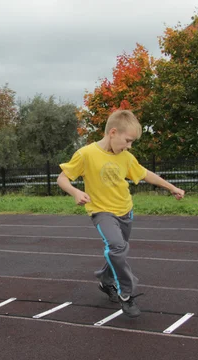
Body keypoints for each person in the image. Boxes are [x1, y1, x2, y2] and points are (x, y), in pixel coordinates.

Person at [57, 109, 185, 318]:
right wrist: (75, 191)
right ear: (113, 132)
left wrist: (171, 187)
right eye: (128, 140)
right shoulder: (86, 154)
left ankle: (106, 281)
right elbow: (62, 178)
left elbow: (145, 174)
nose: (129, 146)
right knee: (116, 247)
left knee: (118, 251)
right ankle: (126, 293)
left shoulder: (126, 157)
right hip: (101, 212)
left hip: (125, 211)